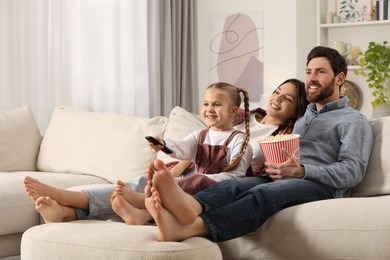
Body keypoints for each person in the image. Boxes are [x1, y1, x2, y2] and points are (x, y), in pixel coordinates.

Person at [144, 46, 374, 242]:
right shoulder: (303, 117)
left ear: (340, 78)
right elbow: (271, 119)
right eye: (308, 71)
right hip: (280, 176)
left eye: (321, 72)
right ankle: (188, 209)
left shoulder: (353, 120)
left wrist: (303, 171)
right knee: (231, 187)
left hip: (320, 186)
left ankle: (190, 228)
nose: (311, 78)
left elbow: (353, 171)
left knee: (261, 194)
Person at [24, 78, 308, 224]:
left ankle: (69, 202)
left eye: (289, 98)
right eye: (277, 91)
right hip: (194, 168)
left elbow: (253, 166)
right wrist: (171, 158)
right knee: (140, 184)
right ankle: (68, 212)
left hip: (223, 179)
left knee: (157, 190)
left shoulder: (281, 136)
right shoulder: (241, 116)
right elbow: (194, 143)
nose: (279, 99)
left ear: (297, 109)